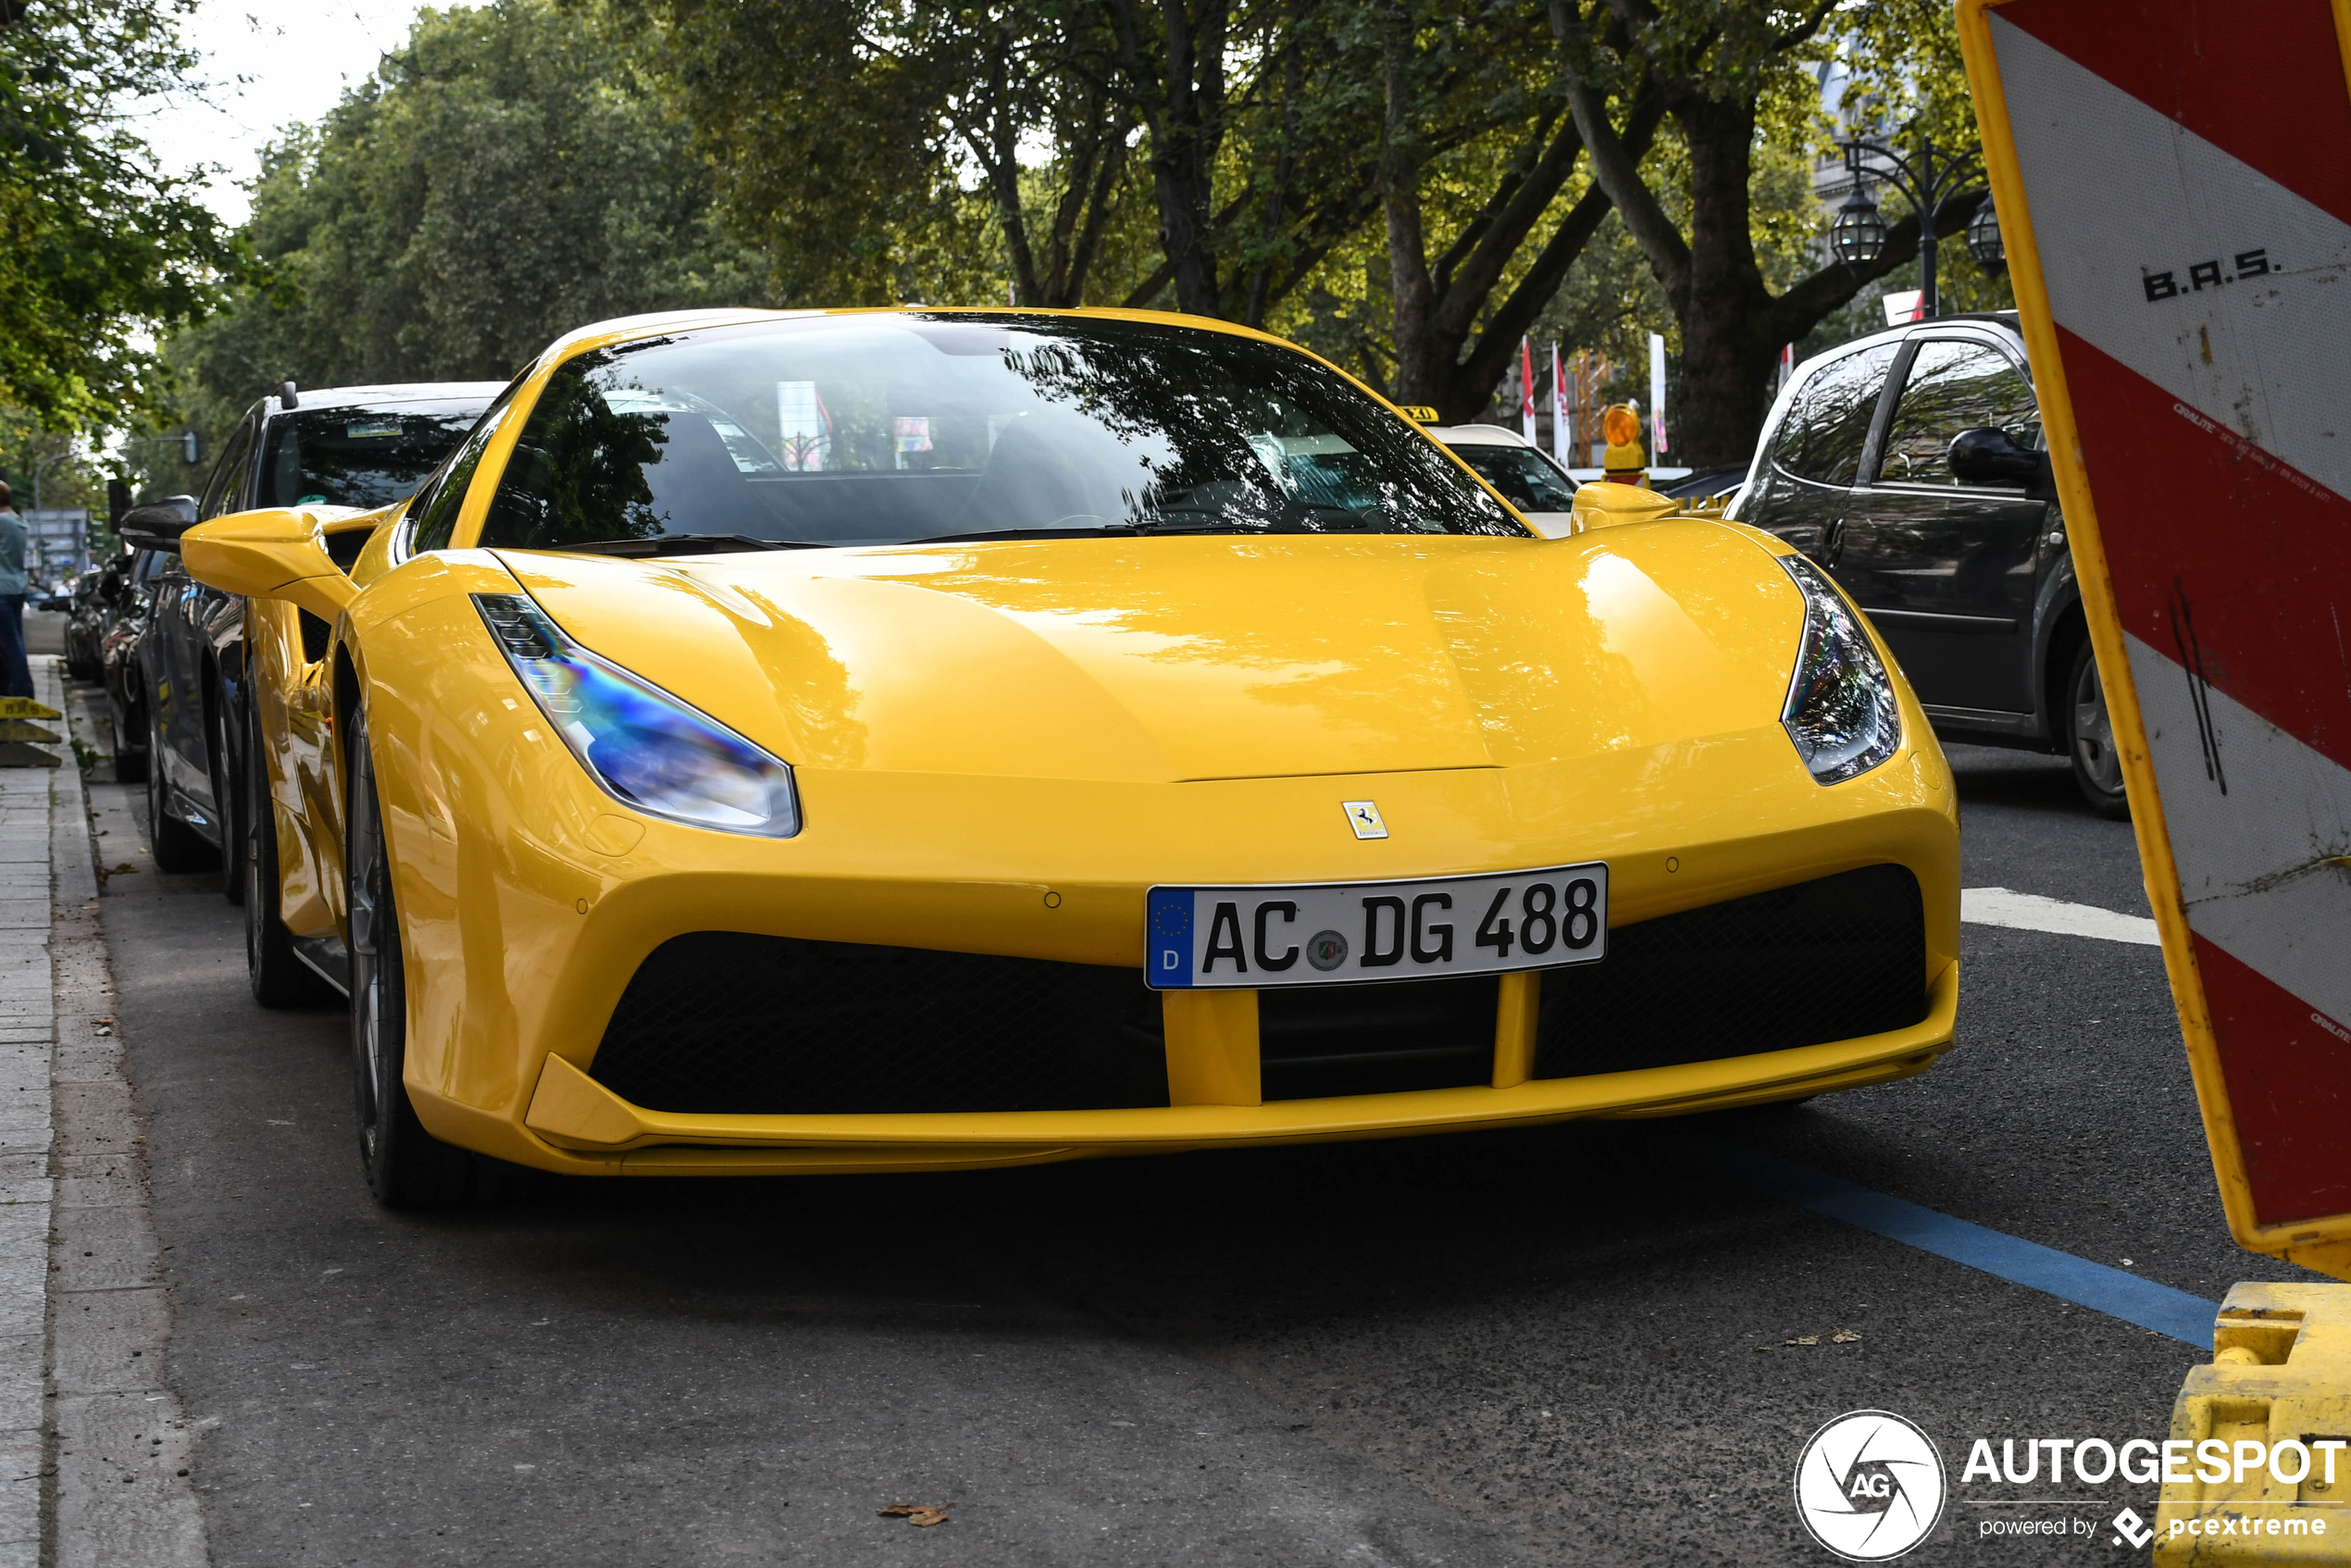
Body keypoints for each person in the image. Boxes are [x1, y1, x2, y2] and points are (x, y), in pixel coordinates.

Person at [0, 482, 29, 698]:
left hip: (1, 588)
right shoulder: (18, 522)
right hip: (16, 586)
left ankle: (19, 691)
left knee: (11, 645)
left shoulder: (2, 521)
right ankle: (24, 687)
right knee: (16, 641)